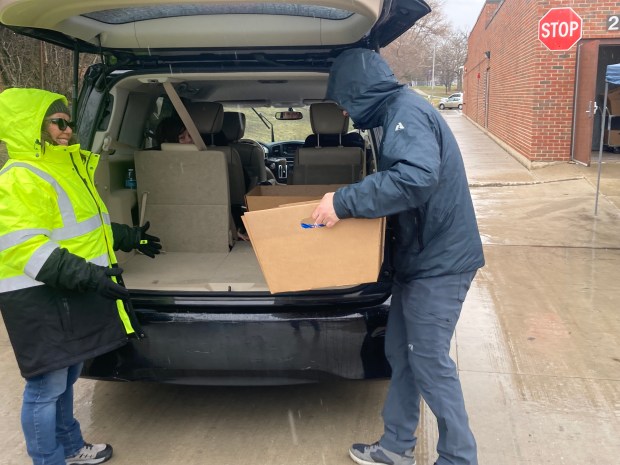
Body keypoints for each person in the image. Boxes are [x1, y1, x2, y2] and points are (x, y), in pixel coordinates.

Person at [312, 49, 485, 465]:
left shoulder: (405, 112)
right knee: (402, 354)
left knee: (428, 360)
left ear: (358, 90)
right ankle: (395, 447)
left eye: (344, 100)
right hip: (418, 259)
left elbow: (415, 177)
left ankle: (459, 459)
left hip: (440, 262)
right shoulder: (394, 113)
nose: (345, 111)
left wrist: (345, 201)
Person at [0, 88, 162, 465]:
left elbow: (82, 229)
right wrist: (88, 276)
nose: (67, 130)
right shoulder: (19, 177)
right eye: (57, 123)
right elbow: (24, 247)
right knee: (46, 387)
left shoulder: (66, 166)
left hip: (66, 289)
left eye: (68, 122)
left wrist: (127, 235)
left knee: (67, 377)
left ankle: (71, 448)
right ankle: (48, 459)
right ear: (30, 128)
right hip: (37, 296)